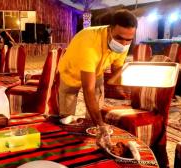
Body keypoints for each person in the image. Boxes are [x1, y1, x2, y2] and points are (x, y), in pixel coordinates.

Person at [58, 9, 137, 148]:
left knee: (95, 115)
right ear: (110, 29)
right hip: (70, 72)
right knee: (66, 117)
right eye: (119, 38)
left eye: (128, 40)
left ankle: (90, 139)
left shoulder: (123, 45)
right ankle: (67, 146)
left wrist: (129, 83)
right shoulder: (89, 41)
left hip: (96, 71)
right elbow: (88, 89)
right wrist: (101, 125)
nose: (124, 44)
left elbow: (117, 69)